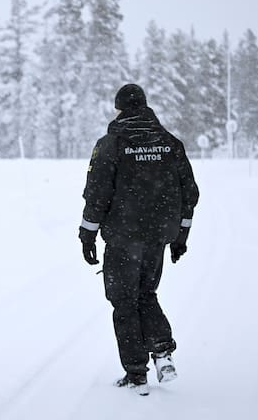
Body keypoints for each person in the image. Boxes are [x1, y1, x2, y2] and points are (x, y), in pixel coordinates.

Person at [79, 83, 199, 396]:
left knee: (124, 302)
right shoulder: (170, 143)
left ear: (119, 109)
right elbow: (190, 193)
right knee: (145, 292)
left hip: (123, 238)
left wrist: (87, 235)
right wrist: (181, 236)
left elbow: (97, 194)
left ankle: (136, 374)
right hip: (157, 237)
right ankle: (161, 350)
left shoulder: (112, 144)